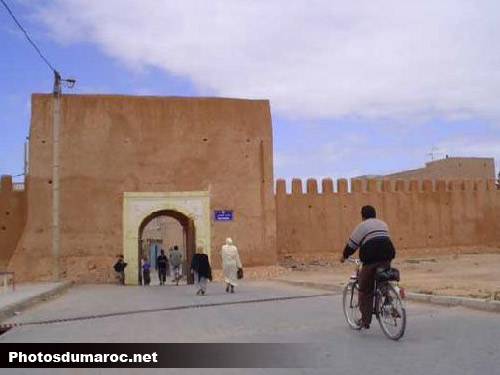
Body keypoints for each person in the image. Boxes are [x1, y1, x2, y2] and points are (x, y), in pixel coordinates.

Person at [340, 205, 396, 329]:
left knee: (365, 289)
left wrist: (344, 256)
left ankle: (365, 320)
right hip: (387, 257)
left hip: (371, 260)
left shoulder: (362, 226)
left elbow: (352, 245)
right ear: (374, 214)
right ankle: (389, 302)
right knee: (382, 280)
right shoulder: (383, 224)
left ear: (363, 215)